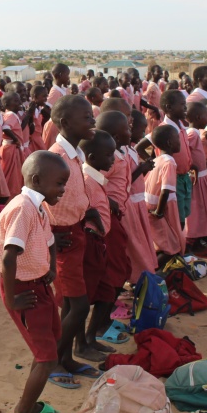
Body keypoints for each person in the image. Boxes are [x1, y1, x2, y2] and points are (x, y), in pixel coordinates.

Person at [0, 151, 70, 413]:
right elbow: (9, 255)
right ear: (37, 180)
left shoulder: (38, 206)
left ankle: (32, 405)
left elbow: (50, 241)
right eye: (59, 184)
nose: (63, 190)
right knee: (47, 357)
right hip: (23, 291)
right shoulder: (22, 208)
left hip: (39, 286)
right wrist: (13, 299)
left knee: (49, 343)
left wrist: (50, 267)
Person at [45, 95, 103, 378]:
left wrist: (89, 211)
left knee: (69, 302)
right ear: (66, 122)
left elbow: (74, 194)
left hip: (76, 230)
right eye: (86, 117)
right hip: (62, 237)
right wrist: (49, 238)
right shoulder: (55, 156)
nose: (93, 120)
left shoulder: (75, 154)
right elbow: (40, 201)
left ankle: (66, 357)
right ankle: (54, 360)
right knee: (79, 305)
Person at [79, 130, 118, 361]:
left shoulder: (95, 178)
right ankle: (80, 344)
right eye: (109, 154)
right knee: (83, 298)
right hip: (90, 242)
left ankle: (91, 337)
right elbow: (77, 208)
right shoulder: (85, 181)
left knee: (107, 292)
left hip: (100, 242)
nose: (113, 159)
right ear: (92, 157)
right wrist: (92, 215)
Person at [94, 108, 133, 343]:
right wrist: (109, 202)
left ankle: (105, 319)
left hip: (115, 215)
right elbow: (91, 185)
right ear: (117, 137)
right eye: (127, 128)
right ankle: (100, 325)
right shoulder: (107, 159)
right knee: (113, 270)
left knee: (121, 267)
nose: (130, 131)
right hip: (106, 218)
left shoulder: (119, 154)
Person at [137, 90, 193, 227]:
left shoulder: (182, 126)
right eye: (182, 104)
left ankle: (182, 241)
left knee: (185, 211)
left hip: (184, 177)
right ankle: (178, 243)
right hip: (172, 178)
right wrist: (154, 163)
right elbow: (139, 147)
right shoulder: (163, 129)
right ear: (168, 107)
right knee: (176, 215)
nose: (185, 108)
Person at [122, 109, 157, 282]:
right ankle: (137, 278)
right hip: (129, 205)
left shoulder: (130, 150)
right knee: (134, 246)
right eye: (140, 130)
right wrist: (140, 170)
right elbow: (123, 183)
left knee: (141, 241)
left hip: (137, 202)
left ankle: (143, 276)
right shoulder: (119, 154)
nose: (143, 134)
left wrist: (143, 169)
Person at [144, 125, 185, 263]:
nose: (180, 141)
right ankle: (152, 273)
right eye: (177, 138)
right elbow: (165, 190)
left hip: (151, 205)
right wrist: (160, 212)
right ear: (169, 143)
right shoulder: (169, 162)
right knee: (171, 247)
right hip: (159, 208)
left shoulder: (157, 159)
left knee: (163, 242)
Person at [184, 101, 207, 257]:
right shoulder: (191, 133)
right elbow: (183, 151)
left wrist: (204, 163)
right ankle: (190, 243)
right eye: (205, 115)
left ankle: (198, 240)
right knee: (196, 212)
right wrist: (191, 165)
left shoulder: (197, 133)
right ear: (198, 117)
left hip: (203, 177)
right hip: (195, 179)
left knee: (203, 210)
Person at [0, 92, 25, 198]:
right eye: (15, 100)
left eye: (19, 100)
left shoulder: (13, 115)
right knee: (11, 176)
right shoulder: (10, 115)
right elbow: (5, 128)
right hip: (10, 149)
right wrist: (15, 139)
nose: (19, 102)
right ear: (6, 104)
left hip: (13, 148)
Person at [42, 63, 71, 148]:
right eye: (67, 75)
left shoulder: (63, 89)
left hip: (61, 124)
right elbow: (45, 108)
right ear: (60, 75)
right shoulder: (55, 91)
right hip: (55, 125)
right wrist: (56, 117)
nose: (68, 77)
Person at [143, 64, 163, 133]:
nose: (161, 73)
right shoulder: (151, 86)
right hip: (153, 116)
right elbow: (143, 101)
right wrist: (155, 109)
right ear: (152, 74)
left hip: (158, 115)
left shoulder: (157, 85)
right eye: (158, 72)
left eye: (161, 71)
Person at [28, 85, 48, 152]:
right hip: (33, 140)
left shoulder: (39, 108)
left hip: (38, 138)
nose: (46, 99)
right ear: (35, 97)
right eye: (44, 96)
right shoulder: (32, 110)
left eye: (46, 96)